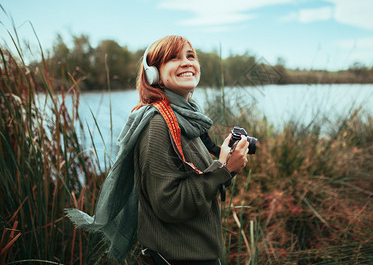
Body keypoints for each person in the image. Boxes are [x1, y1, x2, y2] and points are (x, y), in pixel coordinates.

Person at [66, 35, 249, 264]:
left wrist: (225, 166)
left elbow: (199, 184)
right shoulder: (158, 124)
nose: (186, 62)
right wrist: (222, 170)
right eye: (173, 58)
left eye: (190, 56)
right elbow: (169, 204)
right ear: (153, 74)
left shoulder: (186, 119)